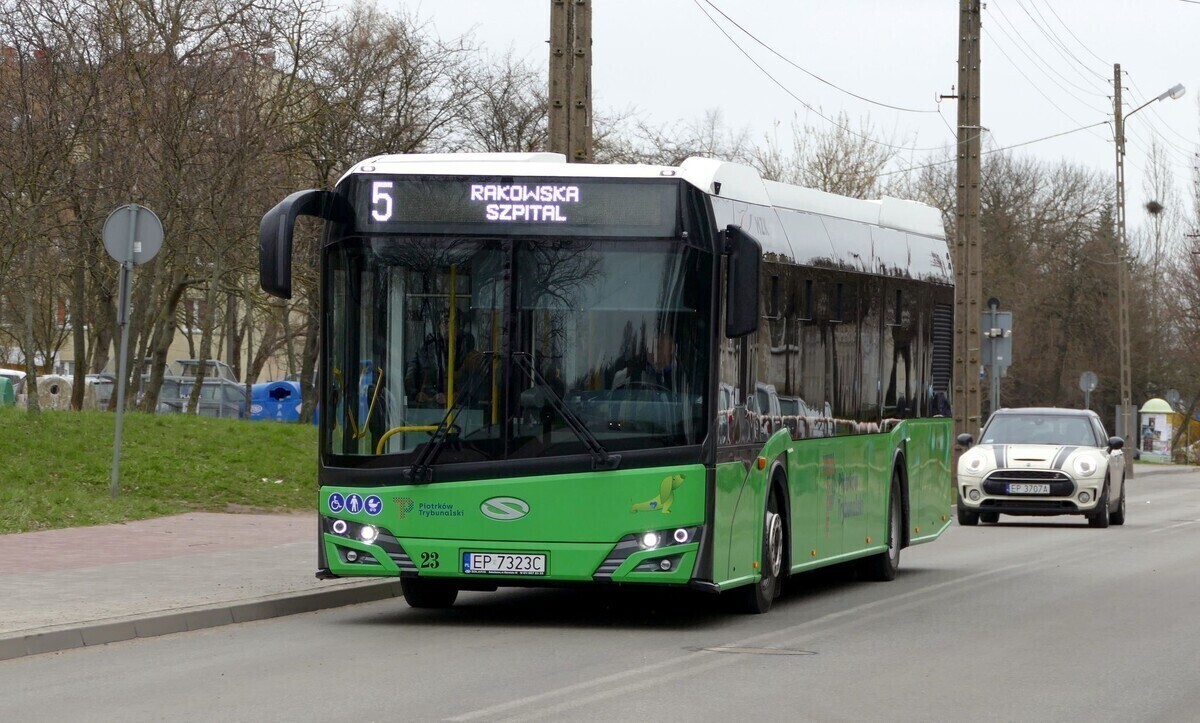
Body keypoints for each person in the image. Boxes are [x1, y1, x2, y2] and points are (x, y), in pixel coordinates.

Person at [406, 315, 476, 407]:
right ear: (439, 326)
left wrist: (455, 397)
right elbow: (411, 373)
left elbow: (471, 379)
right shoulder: (426, 348)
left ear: (458, 327)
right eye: (444, 322)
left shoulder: (465, 349)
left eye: (451, 322)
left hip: (457, 409)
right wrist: (416, 394)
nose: (447, 326)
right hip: (427, 407)